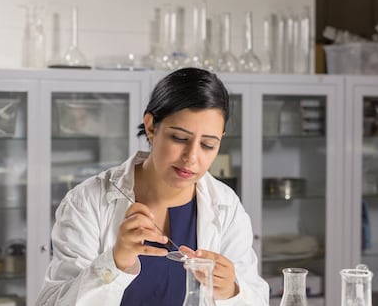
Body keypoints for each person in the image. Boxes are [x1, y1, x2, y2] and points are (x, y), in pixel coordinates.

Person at [35, 67, 269, 306]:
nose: (192, 157)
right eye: (179, 138)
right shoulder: (87, 201)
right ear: (151, 126)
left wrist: (231, 291)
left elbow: (257, 299)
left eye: (208, 144)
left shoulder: (226, 206)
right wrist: (114, 263)